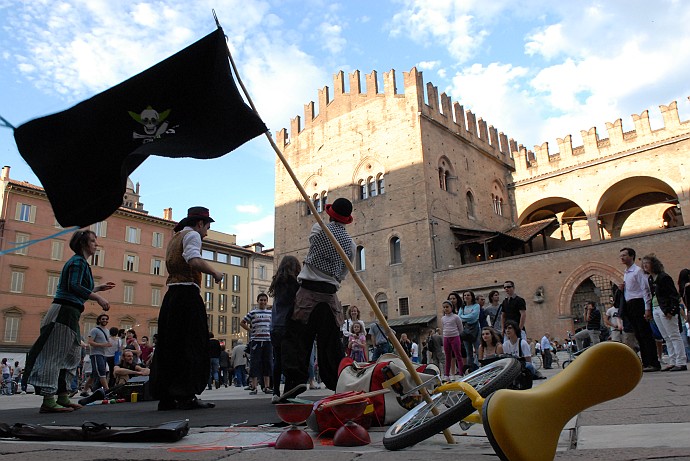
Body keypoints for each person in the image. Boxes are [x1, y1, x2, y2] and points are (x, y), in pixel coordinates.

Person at [22, 229, 115, 413]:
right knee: (55, 355)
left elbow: (76, 285)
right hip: (63, 312)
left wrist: (97, 288)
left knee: (70, 355)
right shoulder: (77, 262)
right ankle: (49, 400)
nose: (96, 244)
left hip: (70, 313)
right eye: (93, 241)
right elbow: (73, 286)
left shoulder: (80, 263)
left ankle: (63, 397)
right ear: (83, 244)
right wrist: (97, 297)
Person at [149, 206, 223, 411]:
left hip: (171, 296)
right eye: (207, 227)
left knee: (169, 345)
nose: (206, 232)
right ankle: (186, 395)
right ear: (199, 224)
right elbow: (193, 259)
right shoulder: (193, 236)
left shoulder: (175, 237)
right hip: (187, 295)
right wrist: (215, 272)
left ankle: (167, 396)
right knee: (192, 343)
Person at [282, 198, 356, 400]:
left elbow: (313, 246)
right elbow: (343, 272)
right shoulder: (350, 244)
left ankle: (295, 381)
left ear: (330, 214)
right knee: (330, 344)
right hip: (330, 294)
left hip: (307, 292)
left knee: (297, 338)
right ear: (347, 219)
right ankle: (336, 383)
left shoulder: (318, 228)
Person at [619, 247, 661, 372]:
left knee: (645, 334)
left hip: (638, 304)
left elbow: (645, 290)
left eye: (625, 255)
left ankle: (653, 362)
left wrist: (647, 308)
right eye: (621, 255)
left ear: (632, 256)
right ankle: (646, 362)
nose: (622, 257)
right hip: (630, 305)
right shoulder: (626, 273)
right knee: (638, 334)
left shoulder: (638, 271)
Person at [643, 254, 687, 371]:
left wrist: (671, 310)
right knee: (666, 336)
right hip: (656, 308)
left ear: (654, 264)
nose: (645, 265)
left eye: (647, 263)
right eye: (644, 263)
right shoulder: (651, 279)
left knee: (674, 335)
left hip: (665, 309)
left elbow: (674, 295)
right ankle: (672, 361)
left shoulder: (663, 277)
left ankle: (681, 361)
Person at [268, 255, 301, 403]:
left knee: (277, 360)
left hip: (275, 326)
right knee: (289, 359)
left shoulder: (277, 283)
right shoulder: (294, 283)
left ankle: (275, 392)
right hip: (287, 325)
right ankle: (288, 391)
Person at [241, 293, 273, 395]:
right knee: (255, 363)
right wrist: (250, 330)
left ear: (267, 302)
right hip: (256, 341)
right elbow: (242, 322)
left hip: (267, 341)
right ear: (257, 301)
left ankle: (267, 386)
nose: (263, 302)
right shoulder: (253, 312)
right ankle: (254, 387)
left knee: (267, 362)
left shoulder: (270, 313)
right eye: (261, 300)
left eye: (264, 300)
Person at [80, 313, 111, 397]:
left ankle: (84, 390)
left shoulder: (107, 331)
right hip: (96, 354)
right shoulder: (94, 330)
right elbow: (90, 342)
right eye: (103, 319)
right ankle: (107, 391)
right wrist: (103, 345)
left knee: (94, 374)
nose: (105, 320)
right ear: (99, 320)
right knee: (102, 372)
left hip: (104, 354)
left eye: (106, 319)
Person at [441, 300, 464, 381]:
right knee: (447, 356)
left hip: (455, 337)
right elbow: (443, 327)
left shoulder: (456, 317)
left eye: (447, 307)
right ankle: (447, 374)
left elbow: (460, 328)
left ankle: (461, 373)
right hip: (446, 338)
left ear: (451, 307)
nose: (446, 309)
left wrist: (457, 334)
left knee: (458, 355)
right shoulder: (443, 318)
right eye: (444, 307)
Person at [460, 290, 480, 372]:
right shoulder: (462, 307)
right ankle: (470, 369)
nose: (466, 297)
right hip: (466, 330)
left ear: (472, 297)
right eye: (465, 295)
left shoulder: (476, 306)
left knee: (478, 349)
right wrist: (467, 317)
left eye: (468, 295)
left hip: (476, 329)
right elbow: (459, 317)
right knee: (468, 352)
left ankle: (479, 366)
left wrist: (464, 316)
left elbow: (474, 316)